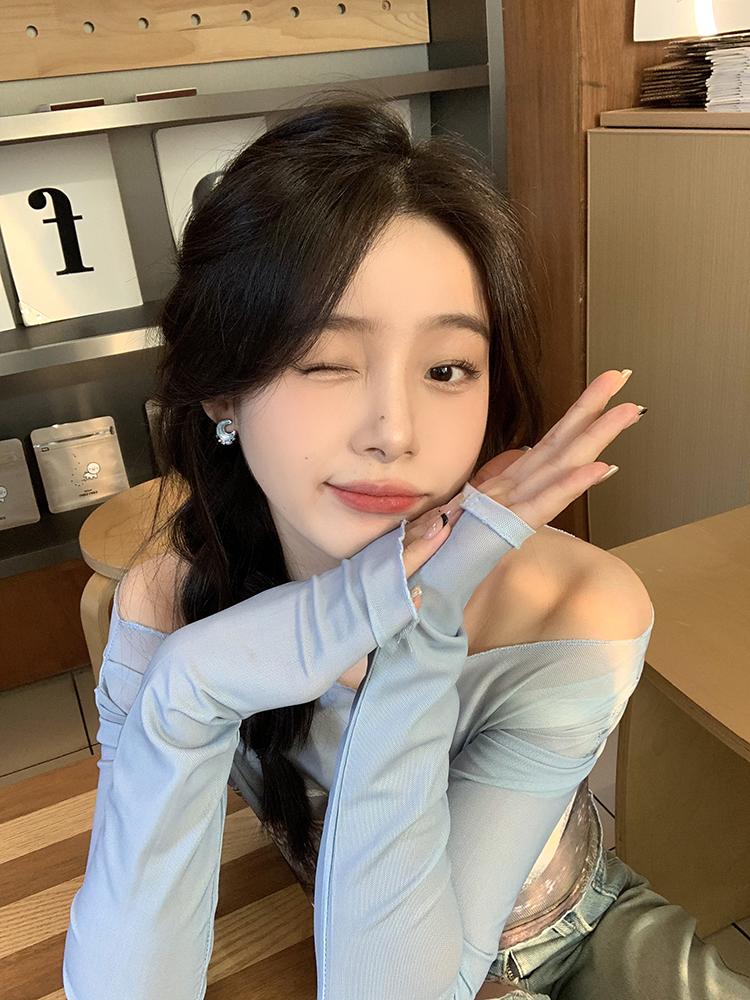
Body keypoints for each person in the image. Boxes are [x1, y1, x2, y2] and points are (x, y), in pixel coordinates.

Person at [62, 91, 750, 999]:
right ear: (222, 390)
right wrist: (191, 684)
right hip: (338, 934)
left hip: (570, 936)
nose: (395, 432)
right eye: (324, 359)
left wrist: (416, 623)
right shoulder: (169, 599)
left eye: (446, 368)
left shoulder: (575, 609)